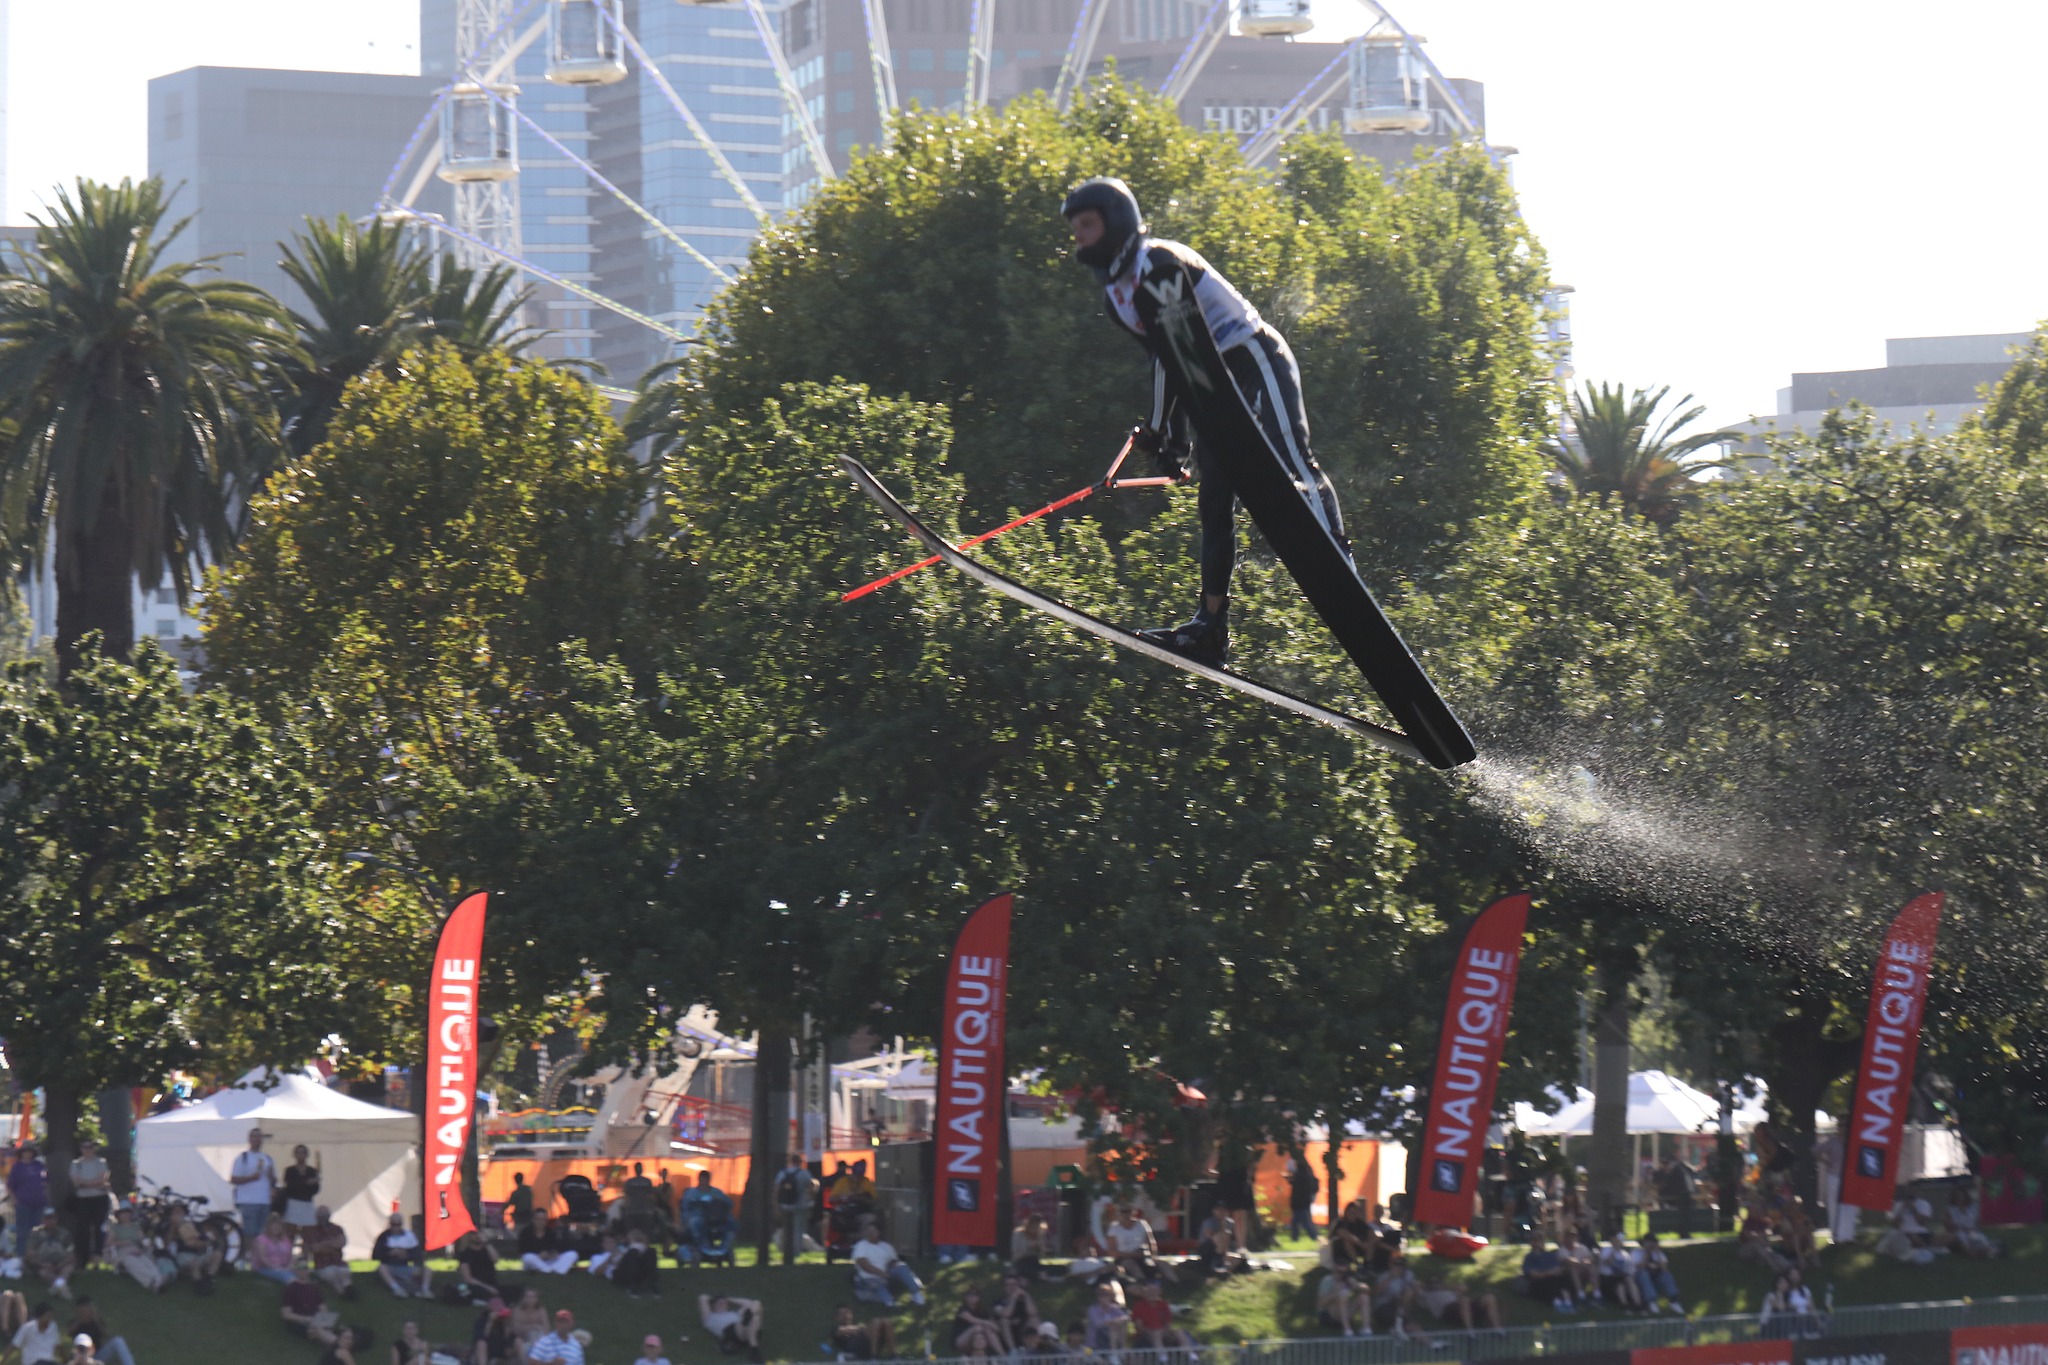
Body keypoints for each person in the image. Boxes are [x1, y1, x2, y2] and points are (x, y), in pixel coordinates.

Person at [1061, 176, 1349, 667]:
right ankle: (1210, 626)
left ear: (1117, 221)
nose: (1079, 237)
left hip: (1254, 357)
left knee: (1291, 459)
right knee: (1214, 505)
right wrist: (1172, 441)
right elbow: (1166, 359)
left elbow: (1177, 347)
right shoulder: (1116, 298)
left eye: (1087, 225)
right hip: (1209, 390)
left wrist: (1158, 427)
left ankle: (1340, 566)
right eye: (1075, 229)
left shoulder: (1158, 263)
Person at [227, 1126, 278, 1263]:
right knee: (249, 1231)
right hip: (248, 1200)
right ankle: (246, 1257)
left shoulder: (268, 1159)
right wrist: (251, 1178)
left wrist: (271, 1177)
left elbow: (274, 1181)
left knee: (261, 1232)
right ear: (250, 1139)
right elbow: (233, 1179)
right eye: (254, 1137)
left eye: (259, 1137)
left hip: (264, 1201)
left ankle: (259, 1258)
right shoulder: (243, 1158)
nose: (257, 1140)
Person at [850, 1218, 926, 1307]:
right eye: (868, 1230)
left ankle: (916, 1293)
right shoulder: (861, 1245)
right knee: (877, 1283)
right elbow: (864, 1264)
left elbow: (893, 1261)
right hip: (869, 1277)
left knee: (902, 1266)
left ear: (878, 1232)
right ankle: (890, 1303)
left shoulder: (886, 1247)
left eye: (872, 1230)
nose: (869, 1233)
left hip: (886, 1274)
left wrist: (894, 1266)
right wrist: (881, 1273)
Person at [65, 1142, 111, 1266]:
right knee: (82, 1229)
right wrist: (94, 1183)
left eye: (90, 1148)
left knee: (99, 1228)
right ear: (81, 1149)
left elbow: (103, 1180)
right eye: (85, 1147)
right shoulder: (76, 1164)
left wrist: (84, 1183)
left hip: (99, 1198)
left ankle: (98, 1256)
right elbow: (75, 1182)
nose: (88, 1150)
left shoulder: (101, 1162)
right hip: (82, 1200)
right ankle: (83, 1257)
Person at [373, 1210, 433, 1298]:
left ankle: (425, 1290)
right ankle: (397, 1289)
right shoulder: (384, 1237)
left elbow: (417, 1255)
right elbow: (375, 1255)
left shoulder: (409, 1236)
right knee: (382, 1267)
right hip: (391, 1266)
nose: (396, 1227)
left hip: (406, 1266)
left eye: (398, 1224)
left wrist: (407, 1256)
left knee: (427, 1269)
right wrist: (390, 1253)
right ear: (390, 1224)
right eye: (394, 1224)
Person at [281, 1265, 344, 1348]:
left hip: (316, 1320)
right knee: (317, 1331)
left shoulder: (314, 1288)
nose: (303, 1271)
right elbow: (286, 1315)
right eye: (300, 1268)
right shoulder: (290, 1289)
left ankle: (338, 1346)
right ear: (295, 1271)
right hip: (298, 1323)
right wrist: (307, 1319)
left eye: (305, 1268)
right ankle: (340, 1347)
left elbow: (323, 1308)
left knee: (330, 1330)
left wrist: (323, 1320)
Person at [103, 1207, 162, 1293]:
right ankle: (151, 1282)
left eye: (127, 1213)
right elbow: (109, 1242)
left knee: (146, 1260)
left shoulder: (136, 1226)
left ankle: (158, 1279)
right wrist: (125, 1242)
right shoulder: (115, 1227)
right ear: (118, 1216)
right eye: (123, 1213)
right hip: (122, 1250)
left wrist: (146, 1243)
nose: (126, 1215)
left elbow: (141, 1239)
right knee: (132, 1262)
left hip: (137, 1248)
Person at [773, 1153, 817, 1267]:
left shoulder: (782, 1173)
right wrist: (811, 1199)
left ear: (789, 1161)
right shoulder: (804, 1173)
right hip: (800, 1205)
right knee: (798, 1229)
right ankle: (796, 1251)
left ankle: (785, 1249)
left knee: (786, 1228)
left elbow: (776, 1190)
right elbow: (812, 1187)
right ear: (800, 1162)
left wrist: (777, 1205)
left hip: (785, 1205)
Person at [304, 1204, 356, 1297]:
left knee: (344, 1272)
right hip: (322, 1264)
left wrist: (323, 1244)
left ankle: (348, 1289)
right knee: (332, 1274)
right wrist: (332, 1244)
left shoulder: (337, 1228)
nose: (323, 1218)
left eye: (325, 1215)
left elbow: (342, 1243)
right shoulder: (311, 1231)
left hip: (338, 1261)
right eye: (321, 1216)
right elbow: (315, 1248)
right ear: (316, 1217)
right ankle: (342, 1293)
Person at [167, 1201, 221, 1287]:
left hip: (197, 1253)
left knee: (217, 1255)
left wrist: (206, 1243)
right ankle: (198, 1283)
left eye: (180, 1211)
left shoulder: (193, 1225)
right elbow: (166, 1242)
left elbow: (203, 1239)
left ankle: (209, 1277)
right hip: (183, 1256)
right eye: (175, 1211)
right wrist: (173, 1228)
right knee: (194, 1263)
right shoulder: (168, 1226)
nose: (178, 1213)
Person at [24, 1212, 76, 1300]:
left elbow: (71, 1253)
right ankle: (63, 1289)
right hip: (43, 1264)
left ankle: (56, 1288)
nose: (50, 1221)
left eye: (52, 1218)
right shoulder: (35, 1234)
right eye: (47, 1219)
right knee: (43, 1273)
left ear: (56, 1219)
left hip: (61, 1263)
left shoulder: (64, 1233)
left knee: (68, 1269)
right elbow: (30, 1254)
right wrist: (42, 1264)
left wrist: (62, 1264)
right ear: (42, 1220)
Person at [1130, 1280, 1194, 1351]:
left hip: (1163, 1332)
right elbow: (1139, 1327)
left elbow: (1167, 1323)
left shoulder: (1163, 1305)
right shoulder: (1138, 1306)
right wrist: (1153, 1331)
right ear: (1145, 1293)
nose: (1152, 1294)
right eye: (1150, 1291)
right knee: (1157, 1333)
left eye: (1155, 1292)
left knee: (1179, 1332)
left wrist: (1165, 1331)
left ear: (1159, 1292)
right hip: (1147, 1334)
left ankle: (1191, 1355)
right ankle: (1163, 1357)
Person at [8, 1146, 48, 1258]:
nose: (27, 1153)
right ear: (21, 1153)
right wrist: (15, 1200)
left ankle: (38, 1256)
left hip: (39, 1203)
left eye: (29, 1151)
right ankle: (21, 1257)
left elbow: (46, 1180)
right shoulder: (17, 1167)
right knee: (22, 1231)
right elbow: (10, 1185)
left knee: (38, 1230)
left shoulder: (39, 1165)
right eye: (25, 1151)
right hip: (23, 1203)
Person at [700, 1293, 764, 1363]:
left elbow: (750, 1303)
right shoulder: (710, 1317)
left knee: (757, 1304)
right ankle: (753, 1347)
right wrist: (716, 1298)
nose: (722, 1304)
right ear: (713, 1306)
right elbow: (702, 1297)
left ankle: (753, 1346)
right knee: (753, 1317)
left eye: (724, 1303)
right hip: (730, 1332)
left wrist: (728, 1299)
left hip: (743, 1328)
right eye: (720, 1303)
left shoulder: (734, 1314)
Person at [1104, 1204, 1162, 1280]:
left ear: (1133, 1212)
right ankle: (1143, 1283)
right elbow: (1111, 1251)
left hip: (1141, 1254)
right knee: (1131, 1265)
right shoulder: (1114, 1227)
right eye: (1123, 1211)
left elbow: (1151, 1243)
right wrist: (1130, 1254)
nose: (1126, 1214)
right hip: (1123, 1257)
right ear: (1119, 1213)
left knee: (1162, 1264)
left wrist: (1153, 1256)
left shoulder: (1142, 1224)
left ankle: (1175, 1284)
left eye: (1128, 1211)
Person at [1634, 1233, 1683, 1314]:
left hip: (1656, 1277)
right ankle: (1651, 1301)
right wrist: (1646, 1252)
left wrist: (1658, 1253)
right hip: (1642, 1278)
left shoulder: (1659, 1254)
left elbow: (1664, 1268)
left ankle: (1674, 1301)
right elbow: (1641, 1267)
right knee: (1644, 1275)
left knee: (1666, 1275)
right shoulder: (1636, 1253)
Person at [1946, 1186, 2000, 1259]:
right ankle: (1973, 1254)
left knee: (1980, 1239)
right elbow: (1949, 1226)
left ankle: (1988, 1251)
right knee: (1961, 1237)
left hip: (1973, 1231)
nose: (1960, 1198)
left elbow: (1978, 1223)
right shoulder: (1951, 1210)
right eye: (1957, 1196)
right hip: (1959, 1232)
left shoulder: (1973, 1208)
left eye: (1962, 1195)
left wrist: (1974, 1229)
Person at [1520, 1235, 1572, 1311]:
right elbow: (1531, 1273)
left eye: (1540, 1240)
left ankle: (1568, 1302)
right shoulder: (1529, 1257)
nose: (1538, 1243)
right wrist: (1549, 1273)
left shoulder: (1550, 1255)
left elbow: (1559, 1267)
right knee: (1549, 1280)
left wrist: (1558, 1270)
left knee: (1564, 1278)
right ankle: (1556, 1302)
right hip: (1539, 1281)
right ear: (1531, 1243)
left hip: (1555, 1276)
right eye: (1535, 1241)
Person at [1317, 1266, 1371, 1337]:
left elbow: (1367, 1291)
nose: (1342, 1275)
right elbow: (1321, 1304)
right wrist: (1335, 1292)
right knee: (1342, 1297)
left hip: (1345, 1313)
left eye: (1345, 1273)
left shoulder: (1349, 1280)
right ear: (1334, 1272)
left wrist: (1358, 1286)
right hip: (1330, 1316)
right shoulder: (1327, 1280)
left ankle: (1366, 1329)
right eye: (1339, 1272)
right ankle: (1347, 1331)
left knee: (1364, 1296)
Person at [829, 1304, 896, 1361]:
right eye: (842, 1314)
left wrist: (868, 1328)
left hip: (868, 1344)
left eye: (847, 1313)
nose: (845, 1316)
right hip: (853, 1349)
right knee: (876, 1322)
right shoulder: (836, 1329)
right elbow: (844, 1330)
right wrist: (864, 1328)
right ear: (837, 1317)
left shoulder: (861, 1327)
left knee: (886, 1322)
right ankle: (874, 1357)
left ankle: (894, 1355)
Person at [952, 1288, 1005, 1360]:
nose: (971, 1297)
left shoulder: (983, 1311)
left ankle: (1003, 1356)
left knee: (988, 1330)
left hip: (979, 1340)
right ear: (965, 1297)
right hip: (961, 1340)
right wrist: (987, 1323)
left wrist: (990, 1325)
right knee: (977, 1327)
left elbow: (996, 1328)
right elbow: (972, 1320)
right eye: (969, 1295)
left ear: (979, 1297)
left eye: (974, 1295)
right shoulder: (962, 1309)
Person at [994, 1272, 1041, 1352]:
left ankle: (1035, 1348)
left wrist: (1026, 1296)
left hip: (1023, 1332)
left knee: (1034, 1319)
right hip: (1006, 1336)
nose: (1012, 1287)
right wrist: (1013, 1298)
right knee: (1004, 1321)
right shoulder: (998, 1303)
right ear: (1004, 1287)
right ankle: (1013, 1351)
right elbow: (1006, 1314)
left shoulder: (1023, 1301)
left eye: (1014, 1284)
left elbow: (1033, 1313)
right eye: (1008, 1285)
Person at [453, 1230, 503, 1303]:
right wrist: (488, 1288)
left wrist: (487, 1242)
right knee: (462, 1288)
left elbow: (496, 1259)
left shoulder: (487, 1251)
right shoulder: (465, 1254)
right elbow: (468, 1278)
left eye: (479, 1233)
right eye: (474, 1233)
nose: (477, 1236)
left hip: (491, 1284)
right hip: (476, 1285)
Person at [1600, 1233, 1647, 1311]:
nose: (1618, 1242)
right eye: (1616, 1239)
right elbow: (1607, 1262)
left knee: (1629, 1280)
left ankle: (1638, 1304)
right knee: (1619, 1283)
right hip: (1608, 1277)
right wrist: (1615, 1250)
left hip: (1623, 1276)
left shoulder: (1625, 1254)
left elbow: (1630, 1269)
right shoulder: (1606, 1250)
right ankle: (1624, 1304)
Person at [282, 1144, 323, 1231]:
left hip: (307, 1203)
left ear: (307, 1155)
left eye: (303, 1153)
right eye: (298, 1153)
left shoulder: (312, 1171)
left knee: (308, 1231)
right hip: (293, 1203)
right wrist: (307, 1183)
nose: (301, 1155)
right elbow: (290, 1187)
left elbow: (316, 1189)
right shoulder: (290, 1171)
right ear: (295, 1155)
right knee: (291, 1231)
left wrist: (309, 1184)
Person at [613, 1227, 661, 1298]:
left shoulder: (645, 1249)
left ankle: (653, 1283)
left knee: (651, 1251)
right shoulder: (623, 1248)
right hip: (623, 1272)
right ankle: (631, 1285)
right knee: (633, 1252)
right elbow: (615, 1261)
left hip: (638, 1272)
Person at [251, 1212, 299, 1285]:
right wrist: (276, 1268)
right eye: (273, 1225)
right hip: (265, 1268)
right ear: (268, 1226)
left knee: (300, 1272)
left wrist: (289, 1266)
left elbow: (291, 1256)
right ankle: (294, 1286)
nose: (276, 1227)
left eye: (278, 1225)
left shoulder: (285, 1240)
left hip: (285, 1267)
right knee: (285, 1275)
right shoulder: (261, 1240)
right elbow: (262, 1258)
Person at [1083, 1283, 1130, 1353]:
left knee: (1121, 1325)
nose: (1104, 1297)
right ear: (1098, 1297)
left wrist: (1115, 1321)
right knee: (1113, 1327)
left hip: (1111, 1340)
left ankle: (1119, 1349)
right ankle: (1114, 1352)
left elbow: (1126, 1318)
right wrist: (1114, 1322)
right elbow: (1098, 1324)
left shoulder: (1114, 1308)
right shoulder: (1093, 1310)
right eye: (1102, 1295)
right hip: (1093, 1346)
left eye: (1107, 1295)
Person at [471, 1297, 520, 1365]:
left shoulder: (504, 1320)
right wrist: (490, 1322)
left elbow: (510, 1337)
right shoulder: (481, 1320)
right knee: (481, 1343)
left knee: (518, 1341)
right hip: (488, 1347)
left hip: (502, 1347)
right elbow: (481, 1337)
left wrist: (508, 1324)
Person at [1286, 1154, 1320, 1242]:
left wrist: (1291, 1180)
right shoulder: (1307, 1172)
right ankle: (1298, 1237)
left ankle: (1314, 1237)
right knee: (1299, 1221)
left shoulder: (1301, 1173)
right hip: (1304, 1201)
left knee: (1304, 1222)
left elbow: (1298, 1186)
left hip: (1300, 1201)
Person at [508, 1287, 552, 1355]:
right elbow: (515, 1329)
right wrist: (532, 1327)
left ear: (536, 1299)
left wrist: (538, 1330)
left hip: (539, 1338)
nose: (530, 1299)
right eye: (527, 1297)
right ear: (523, 1298)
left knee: (537, 1336)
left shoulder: (541, 1310)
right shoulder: (518, 1311)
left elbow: (547, 1327)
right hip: (523, 1339)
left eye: (532, 1297)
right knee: (519, 1341)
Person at [1011, 1214, 1054, 1280]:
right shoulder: (1018, 1234)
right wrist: (1029, 1247)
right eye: (1033, 1226)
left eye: (1037, 1226)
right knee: (1023, 1270)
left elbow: (1042, 1255)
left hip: (1034, 1262)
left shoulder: (1038, 1236)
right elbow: (1015, 1256)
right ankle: (1039, 1276)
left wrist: (1041, 1246)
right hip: (1021, 1262)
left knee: (1058, 1268)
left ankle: (1041, 1275)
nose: (1035, 1228)